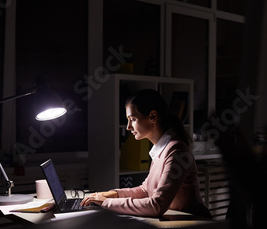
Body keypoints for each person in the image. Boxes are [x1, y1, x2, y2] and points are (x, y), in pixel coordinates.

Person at [81, 89, 211, 218]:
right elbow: (146, 190)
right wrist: (113, 194)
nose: (128, 127)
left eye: (132, 119)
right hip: (177, 222)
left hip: (195, 226)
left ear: (152, 116)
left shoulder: (176, 152)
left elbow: (156, 205)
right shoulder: (161, 148)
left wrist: (106, 203)